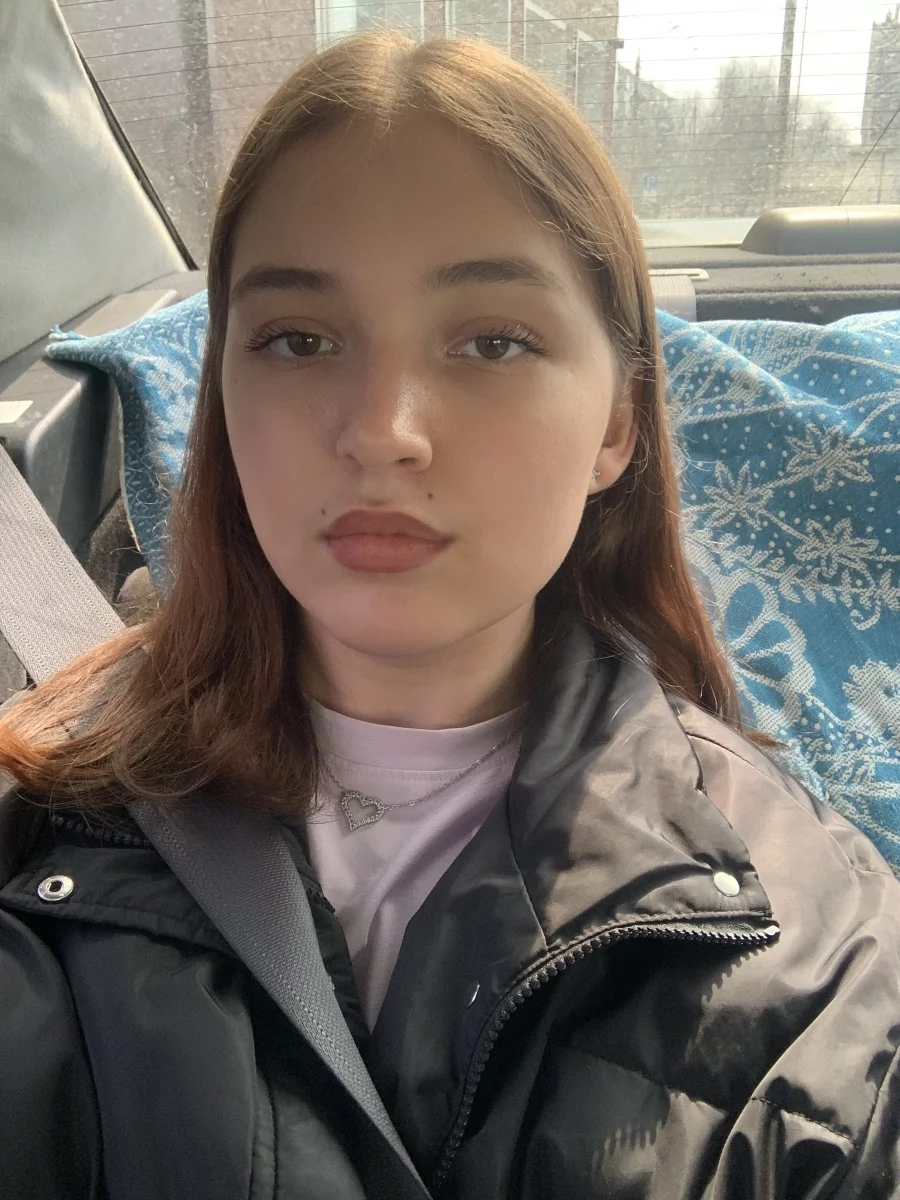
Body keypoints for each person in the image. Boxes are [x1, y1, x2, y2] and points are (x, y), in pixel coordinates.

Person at [0, 30, 898, 1200]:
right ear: (222, 390)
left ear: (616, 426)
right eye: (298, 340)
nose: (383, 431)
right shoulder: (38, 820)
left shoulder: (825, 970)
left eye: (492, 342)